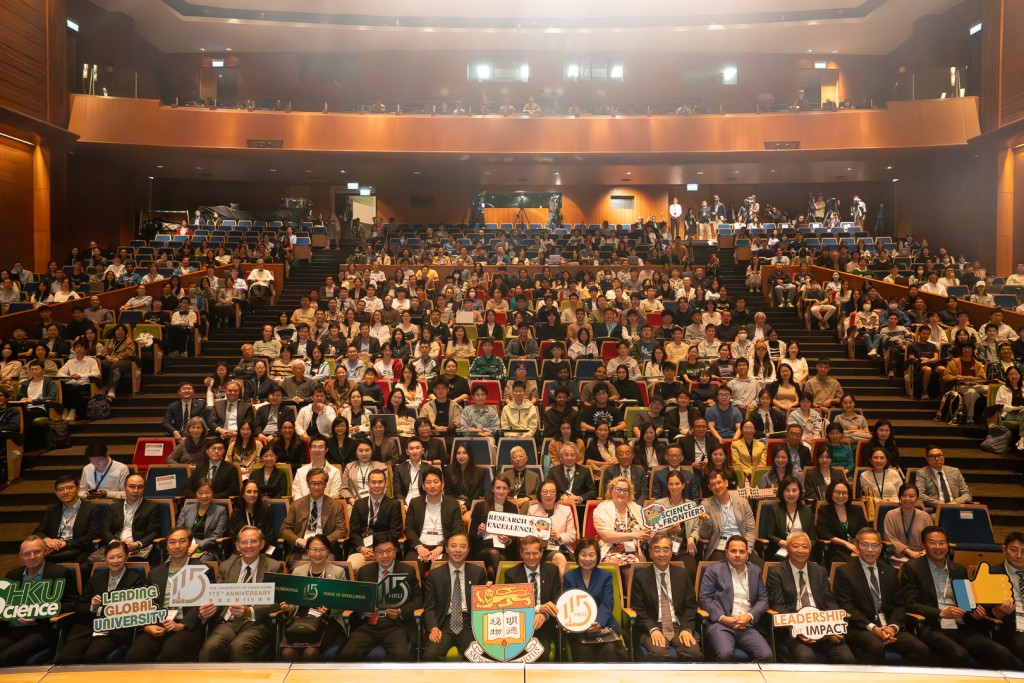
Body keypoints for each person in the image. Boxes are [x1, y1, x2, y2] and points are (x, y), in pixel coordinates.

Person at [833, 527, 931, 665]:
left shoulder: (890, 571)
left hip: (888, 626)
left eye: (874, 545)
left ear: (880, 547)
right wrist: (873, 628)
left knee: (920, 649)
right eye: (865, 545)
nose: (870, 550)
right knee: (875, 647)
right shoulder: (845, 572)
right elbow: (846, 606)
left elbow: (899, 605)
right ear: (856, 546)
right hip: (862, 627)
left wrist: (892, 627)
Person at [122, 527, 214, 662]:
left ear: (189, 544)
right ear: (166, 546)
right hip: (158, 624)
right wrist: (147, 626)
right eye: (172, 542)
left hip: (186, 626)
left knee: (170, 654)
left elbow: (203, 603)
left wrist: (181, 625)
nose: (177, 546)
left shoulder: (203, 570)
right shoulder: (155, 573)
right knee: (133, 657)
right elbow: (147, 603)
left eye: (182, 541)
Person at [766, 531, 856, 664]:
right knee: (806, 658)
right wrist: (799, 629)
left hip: (821, 626)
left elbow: (829, 601)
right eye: (795, 546)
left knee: (846, 658)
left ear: (810, 549)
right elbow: (778, 606)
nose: (800, 550)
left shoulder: (820, 571)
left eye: (805, 546)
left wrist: (834, 626)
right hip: (794, 629)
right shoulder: (776, 572)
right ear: (787, 548)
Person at [198, 526, 284, 662]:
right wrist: (207, 609)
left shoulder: (274, 567)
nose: (248, 546)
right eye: (244, 542)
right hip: (228, 622)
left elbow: (276, 602)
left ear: (262, 544)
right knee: (210, 647)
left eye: (253, 541)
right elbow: (216, 597)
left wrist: (249, 611)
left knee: (239, 647)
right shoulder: (226, 566)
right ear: (238, 546)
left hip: (256, 622)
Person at [56, 539, 145, 664]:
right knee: (67, 657)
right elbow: (79, 605)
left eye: (119, 557)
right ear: (105, 559)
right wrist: (92, 606)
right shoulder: (96, 577)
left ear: (126, 557)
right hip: (89, 625)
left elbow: (137, 608)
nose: (115, 561)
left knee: (91, 656)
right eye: (111, 557)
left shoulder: (136, 579)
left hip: (116, 627)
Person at [339, 534, 423, 662]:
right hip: (370, 624)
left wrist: (401, 612)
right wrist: (363, 611)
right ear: (374, 553)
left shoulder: (407, 571)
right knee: (347, 654)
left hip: (395, 625)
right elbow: (357, 601)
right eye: (380, 552)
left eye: (388, 551)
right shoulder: (364, 572)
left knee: (400, 656)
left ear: (395, 551)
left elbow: (418, 600)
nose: (385, 556)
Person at [0, 536, 78, 666]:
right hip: (11, 629)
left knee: (6, 656)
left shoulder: (60, 574)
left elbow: (73, 604)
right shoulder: (12, 575)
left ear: (45, 551)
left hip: (40, 629)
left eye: (37, 552)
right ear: (20, 555)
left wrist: (40, 614)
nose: (32, 557)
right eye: (27, 554)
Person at [698, 535, 774, 662]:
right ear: (726, 553)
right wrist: (723, 618)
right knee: (725, 654)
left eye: (741, 551)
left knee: (766, 656)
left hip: (747, 625)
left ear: (747, 554)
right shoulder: (714, 570)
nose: (737, 555)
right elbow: (704, 599)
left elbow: (763, 599)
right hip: (721, 624)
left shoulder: (755, 571)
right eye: (733, 551)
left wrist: (749, 616)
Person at [630, 531, 702, 662]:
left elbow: (691, 606)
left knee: (693, 653)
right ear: (650, 553)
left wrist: (686, 628)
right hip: (653, 626)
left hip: (678, 625)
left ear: (671, 552)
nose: (661, 554)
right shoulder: (640, 577)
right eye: (656, 550)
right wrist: (653, 629)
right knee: (659, 654)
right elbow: (638, 609)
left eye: (665, 549)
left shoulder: (682, 574)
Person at [277, 533, 348, 662]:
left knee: (310, 652)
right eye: (314, 549)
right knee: (287, 653)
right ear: (308, 552)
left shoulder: (338, 572)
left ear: (328, 552)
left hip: (327, 622)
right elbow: (294, 604)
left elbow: (343, 603)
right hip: (302, 620)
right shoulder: (298, 572)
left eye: (322, 549)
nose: (318, 553)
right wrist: (288, 608)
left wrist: (330, 610)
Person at [561, 537, 630, 662]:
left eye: (591, 555)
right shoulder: (569, 577)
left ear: (597, 556)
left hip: (604, 624)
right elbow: (567, 603)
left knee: (609, 649)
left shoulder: (605, 576)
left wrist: (599, 622)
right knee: (584, 651)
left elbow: (608, 602)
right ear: (577, 556)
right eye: (583, 555)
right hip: (578, 627)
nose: (587, 559)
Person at [422, 532, 487, 661]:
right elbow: (429, 606)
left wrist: (488, 594)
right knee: (430, 655)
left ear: (468, 550)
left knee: (477, 656)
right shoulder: (435, 575)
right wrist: (433, 627)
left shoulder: (478, 572)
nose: (458, 550)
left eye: (463, 546)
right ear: (446, 549)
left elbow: (483, 606)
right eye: (453, 546)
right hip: (444, 624)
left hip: (470, 625)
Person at [501, 534, 562, 655]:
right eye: (527, 553)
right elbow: (512, 606)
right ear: (521, 553)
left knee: (541, 653)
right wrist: (539, 609)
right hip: (520, 624)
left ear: (541, 552)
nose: (531, 557)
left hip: (545, 624)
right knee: (513, 653)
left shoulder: (552, 570)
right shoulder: (511, 574)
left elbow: (556, 600)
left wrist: (545, 615)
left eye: (535, 553)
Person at [280, 468, 348, 569]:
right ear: (308, 484)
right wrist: (299, 540)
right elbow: (285, 530)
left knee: (324, 569)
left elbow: (342, 530)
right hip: (300, 550)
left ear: (325, 484)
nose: (316, 487)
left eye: (320, 483)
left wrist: (322, 542)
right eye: (313, 483)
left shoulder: (335, 505)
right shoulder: (296, 505)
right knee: (300, 571)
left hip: (325, 551)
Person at [404, 466, 465, 575]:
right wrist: (419, 546)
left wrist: (442, 546)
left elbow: (457, 529)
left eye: (436, 482)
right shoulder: (415, 503)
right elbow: (409, 529)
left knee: (441, 572)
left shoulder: (452, 504)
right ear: (423, 486)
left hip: (443, 549)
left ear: (442, 484)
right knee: (411, 570)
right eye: (428, 482)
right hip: (419, 547)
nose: (432, 485)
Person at [32, 474, 103, 565]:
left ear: (78, 489)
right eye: (60, 489)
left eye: (69, 488)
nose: (65, 492)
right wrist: (47, 540)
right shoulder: (53, 510)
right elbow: (38, 532)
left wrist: (67, 543)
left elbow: (93, 536)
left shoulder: (92, 510)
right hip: (55, 549)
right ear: (56, 493)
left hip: (78, 549)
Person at [695, 471, 758, 564]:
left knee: (761, 568)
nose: (717, 486)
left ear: (726, 483)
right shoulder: (706, 504)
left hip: (741, 546)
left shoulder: (743, 502)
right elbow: (704, 535)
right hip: (720, 547)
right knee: (719, 571)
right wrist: (706, 522)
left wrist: (747, 550)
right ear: (709, 488)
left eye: (719, 482)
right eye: (713, 484)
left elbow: (751, 530)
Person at [94, 473, 160, 561]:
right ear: (124, 488)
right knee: (92, 562)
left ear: (144, 489)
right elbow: (105, 529)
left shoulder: (151, 507)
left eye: (140, 487)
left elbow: (154, 532)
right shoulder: (114, 507)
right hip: (115, 547)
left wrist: (137, 544)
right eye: (132, 487)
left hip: (137, 549)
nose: (136, 490)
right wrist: (114, 543)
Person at [346, 468, 403, 571]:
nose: (377, 485)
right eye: (373, 482)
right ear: (368, 484)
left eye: (380, 482)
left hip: (385, 550)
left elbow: (395, 532)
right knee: (352, 566)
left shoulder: (393, 505)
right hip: (363, 550)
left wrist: (378, 550)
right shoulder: (359, 505)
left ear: (386, 483)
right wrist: (363, 549)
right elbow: (354, 532)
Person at [526, 481, 577, 571]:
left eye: (552, 491)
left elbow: (572, 536)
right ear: (540, 493)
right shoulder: (533, 510)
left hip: (563, 548)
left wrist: (558, 536)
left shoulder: (566, 510)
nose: (548, 495)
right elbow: (527, 535)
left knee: (560, 556)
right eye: (545, 492)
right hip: (540, 550)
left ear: (556, 493)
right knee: (558, 558)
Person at [988, 531, 1024, 655]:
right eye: (1014, 550)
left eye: (1023, 551)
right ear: (1004, 549)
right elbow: (982, 610)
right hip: (1010, 627)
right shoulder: (991, 574)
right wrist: (997, 613)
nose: (1019, 555)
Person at [176, 478, 228, 561]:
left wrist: (197, 545)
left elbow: (217, 535)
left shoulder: (220, 511)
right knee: (170, 563)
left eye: (207, 492)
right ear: (196, 494)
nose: (204, 496)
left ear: (212, 493)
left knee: (197, 565)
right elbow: (179, 530)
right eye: (200, 493)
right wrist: (185, 545)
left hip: (207, 549)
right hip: (186, 547)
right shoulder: (187, 508)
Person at [765, 476, 815, 560]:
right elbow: (769, 534)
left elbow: (813, 538)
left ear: (799, 492)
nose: (791, 494)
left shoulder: (807, 511)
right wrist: (786, 544)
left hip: (802, 550)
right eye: (787, 490)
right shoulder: (775, 509)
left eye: (794, 490)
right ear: (782, 492)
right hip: (782, 549)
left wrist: (804, 546)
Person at [914, 444, 972, 511]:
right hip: (936, 509)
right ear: (927, 459)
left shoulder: (955, 471)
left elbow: (967, 494)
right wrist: (940, 504)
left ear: (943, 456)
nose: (937, 459)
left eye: (939, 455)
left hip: (956, 507)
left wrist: (955, 502)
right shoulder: (922, 473)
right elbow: (919, 494)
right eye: (932, 456)